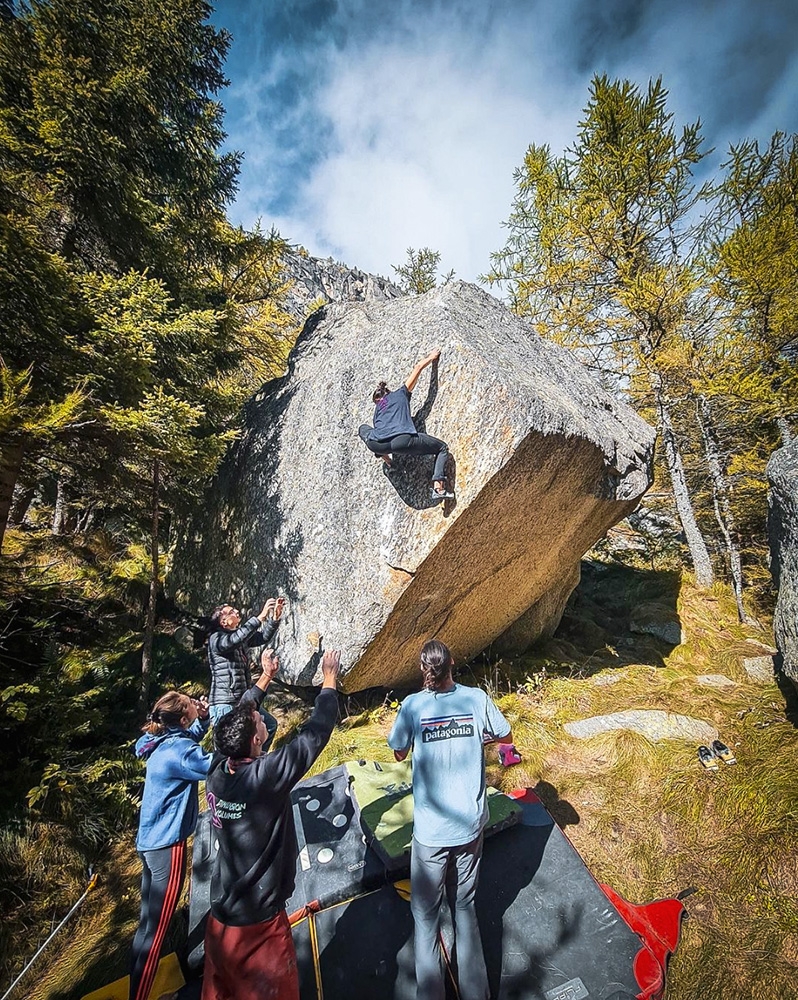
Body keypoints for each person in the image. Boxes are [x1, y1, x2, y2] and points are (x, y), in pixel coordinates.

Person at [201, 648, 342, 1000]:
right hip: (258, 930)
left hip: (219, 924)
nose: (265, 720)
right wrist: (329, 681)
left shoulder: (218, 771)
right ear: (256, 740)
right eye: (262, 721)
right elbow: (313, 736)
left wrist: (265, 676)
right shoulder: (264, 778)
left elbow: (237, 714)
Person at [387, 640, 514, 1000]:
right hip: (470, 825)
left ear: (422, 669)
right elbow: (505, 735)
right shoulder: (476, 699)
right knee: (464, 905)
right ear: (453, 664)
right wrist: (477, 737)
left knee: (426, 917)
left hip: (431, 833)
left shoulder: (412, 706)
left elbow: (398, 753)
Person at [129, 689, 211, 1000]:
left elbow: (187, 742)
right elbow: (209, 764)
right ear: (181, 717)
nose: (197, 703)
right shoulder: (177, 751)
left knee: (147, 927)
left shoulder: (158, 742)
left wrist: (202, 720)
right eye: (192, 704)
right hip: (168, 846)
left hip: (149, 844)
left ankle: (135, 987)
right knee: (158, 931)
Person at [358, 348, 454, 501]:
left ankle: (389, 462)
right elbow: (418, 368)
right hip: (402, 440)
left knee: (363, 429)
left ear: (377, 401)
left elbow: (380, 430)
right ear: (387, 392)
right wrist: (432, 357)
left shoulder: (377, 411)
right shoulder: (400, 393)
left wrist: (388, 459)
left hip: (376, 443)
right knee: (442, 448)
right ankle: (438, 486)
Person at [206, 597, 286, 746]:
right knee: (228, 748)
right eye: (231, 612)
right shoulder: (216, 639)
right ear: (223, 622)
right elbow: (234, 640)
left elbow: (261, 637)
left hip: (242, 700)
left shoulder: (238, 636)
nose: (236, 611)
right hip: (224, 704)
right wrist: (260, 617)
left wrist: (274, 619)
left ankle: (257, 762)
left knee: (269, 725)